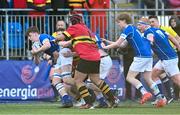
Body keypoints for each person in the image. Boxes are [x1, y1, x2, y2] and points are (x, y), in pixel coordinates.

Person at [102, 13, 166, 107]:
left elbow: (118, 43)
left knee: (129, 77)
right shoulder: (134, 29)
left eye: (119, 22)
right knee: (148, 78)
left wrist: (105, 47)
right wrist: (107, 42)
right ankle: (160, 98)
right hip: (148, 56)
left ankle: (144, 93)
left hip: (140, 56)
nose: (118, 24)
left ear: (124, 20)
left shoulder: (128, 29)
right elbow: (122, 45)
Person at [55, 14, 117, 109]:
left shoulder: (74, 27)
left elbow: (62, 37)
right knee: (96, 80)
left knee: (78, 80)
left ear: (71, 22)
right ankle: (112, 99)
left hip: (86, 57)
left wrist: (56, 40)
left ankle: (88, 103)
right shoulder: (88, 30)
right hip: (96, 57)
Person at [26, 26, 73, 108]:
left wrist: (36, 51)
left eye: (30, 36)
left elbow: (47, 45)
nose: (29, 39)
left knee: (67, 80)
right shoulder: (35, 45)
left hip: (64, 53)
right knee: (55, 81)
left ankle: (84, 87)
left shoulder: (42, 36)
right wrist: (36, 55)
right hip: (59, 58)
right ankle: (67, 100)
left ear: (35, 33)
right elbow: (37, 63)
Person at [137, 17, 180, 103]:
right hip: (167, 58)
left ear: (145, 25)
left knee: (177, 80)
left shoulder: (148, 33)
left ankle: (161, 98)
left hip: (168, 59)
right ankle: (161, 98)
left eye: (139, 25)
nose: (138, 27)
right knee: (153, 75)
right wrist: (178, 46)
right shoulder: (158, 30)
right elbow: (170, 37)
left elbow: (150, 40)